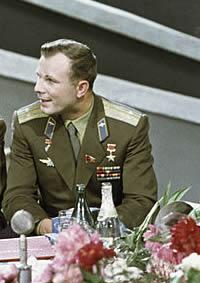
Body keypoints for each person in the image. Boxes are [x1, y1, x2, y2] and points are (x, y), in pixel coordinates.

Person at [3, 39, 157, 234]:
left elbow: (140, 201)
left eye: (50, 80)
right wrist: (46, 226)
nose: (38, 88)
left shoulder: (129, 128)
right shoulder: (27, 124)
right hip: (49, 233)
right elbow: (17, 195)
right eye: (39, 77)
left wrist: (96, 231)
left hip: (110, 237)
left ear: (81, 88)